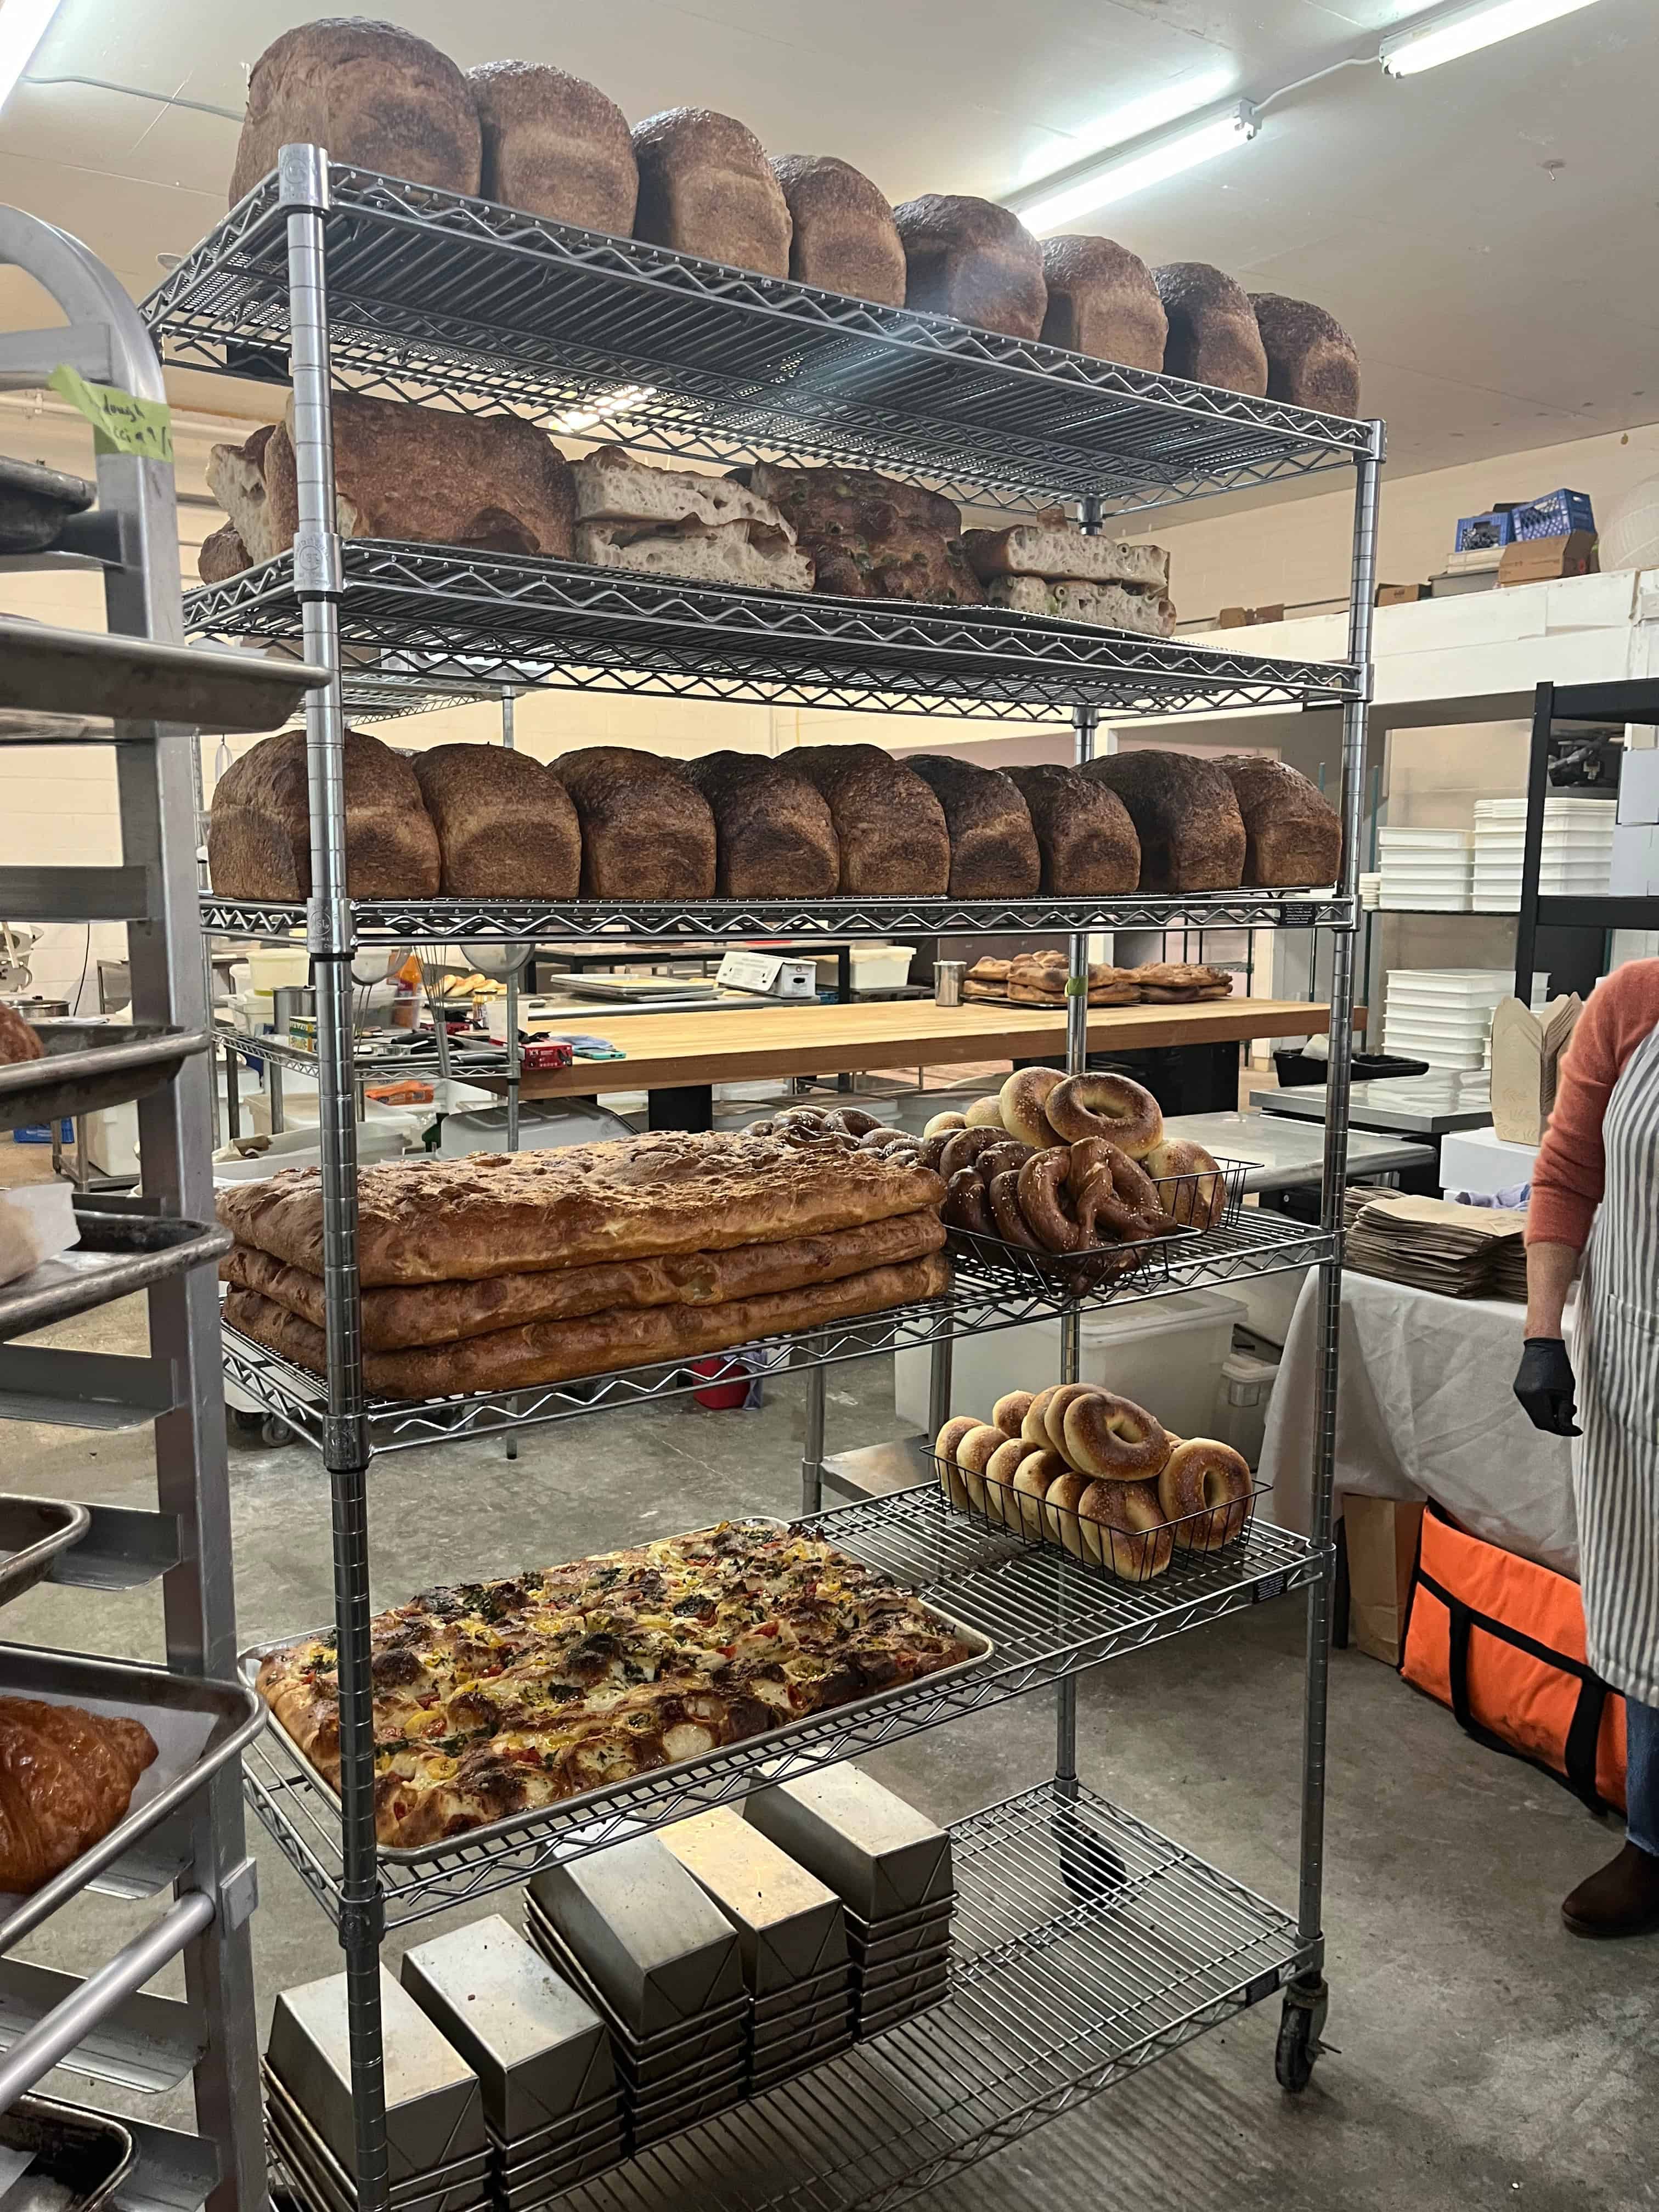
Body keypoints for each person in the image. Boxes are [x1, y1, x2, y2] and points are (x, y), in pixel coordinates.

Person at [1515, 956, 1659, 1937]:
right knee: (1655, 1605)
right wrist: (1541, 1330)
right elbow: (1569, 1171)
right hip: (1640, 1363)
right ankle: (1656, 1840)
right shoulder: (1634, 1001)